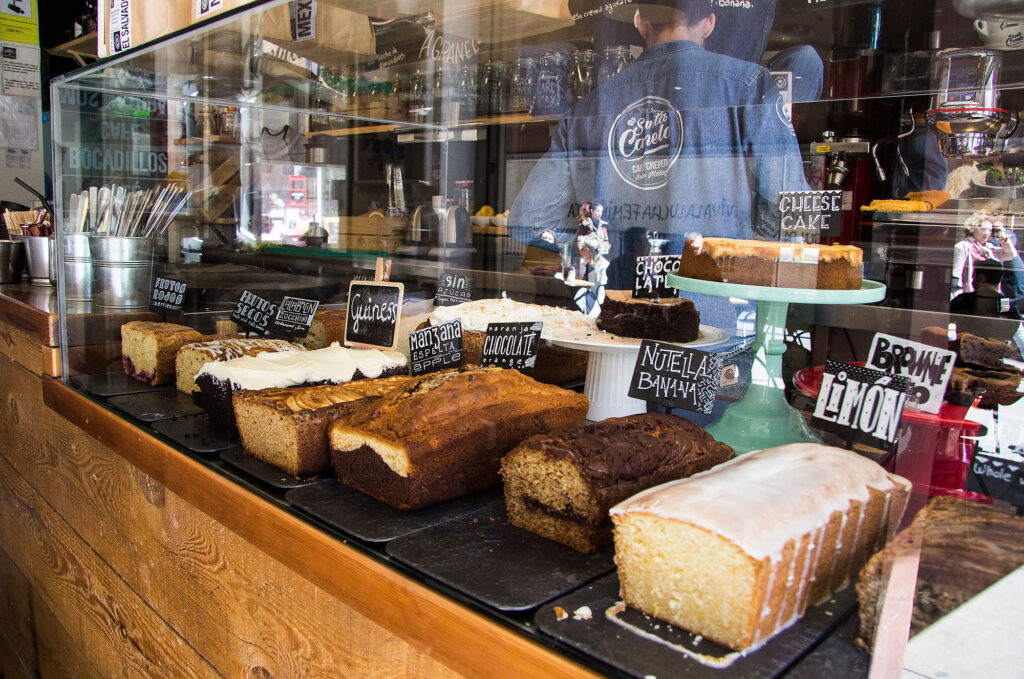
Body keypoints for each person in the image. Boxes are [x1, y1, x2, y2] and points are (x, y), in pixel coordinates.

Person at [509, 0, 809, 333]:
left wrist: (593, 252)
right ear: (709, 23)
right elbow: (788, 212)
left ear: (641, 23)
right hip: (714, 323)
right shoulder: (749, 86)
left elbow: (528, 221)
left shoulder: (591, 107)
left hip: (616, 318)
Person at [951, 210, 1018, 300]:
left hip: (990, 295)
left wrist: (1004, 239)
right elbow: (956, 275)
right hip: (970, 295)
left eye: (989, 230)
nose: (986, 233)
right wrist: (956, 297)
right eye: (983, 229)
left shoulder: (990, 248)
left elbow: (1011, 255)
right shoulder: (962, 246)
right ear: (973, 229)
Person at [574, 232, 609, 315]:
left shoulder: (603, 266)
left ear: (592, 251)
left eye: (583, 248)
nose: (580, 251)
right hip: (584, 301)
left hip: (597, 306)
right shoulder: (584, 263)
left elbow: (601, 293)